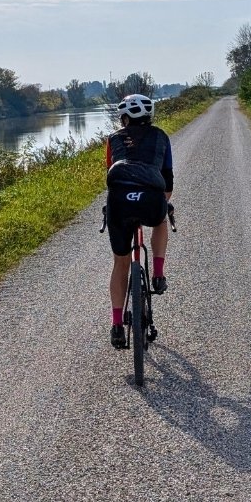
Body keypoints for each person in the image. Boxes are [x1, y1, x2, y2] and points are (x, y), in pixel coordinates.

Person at [104, 93, 173, 349]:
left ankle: (117, 325)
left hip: (120, 202)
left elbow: (109, 177)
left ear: (123, 118)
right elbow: (168, 180)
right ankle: (158, 274)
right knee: (161, 219)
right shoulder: (161, 137)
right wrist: (162, 201)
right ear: (149, 116)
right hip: (151, 200)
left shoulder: (113, 140)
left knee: (120, 263)